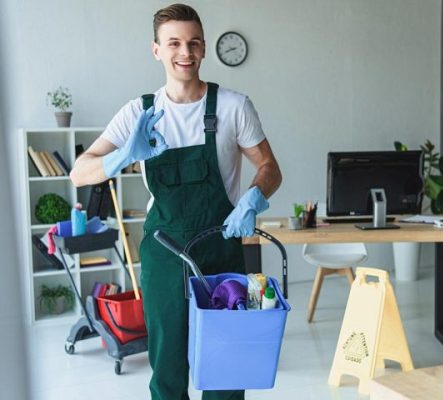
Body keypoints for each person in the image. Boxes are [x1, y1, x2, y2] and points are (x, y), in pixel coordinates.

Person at [70, 3, 282, 400]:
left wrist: (254, 196)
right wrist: (122, 155)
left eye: (193, 43)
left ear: (203, 49)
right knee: (167, 364)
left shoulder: (234, 106)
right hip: (165, 253)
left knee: (226, 364)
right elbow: (80, 172)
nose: (185, 52)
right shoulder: (139, 112)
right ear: (157, 50)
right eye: (174, 43)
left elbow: (270, 167)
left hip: (220, 250)